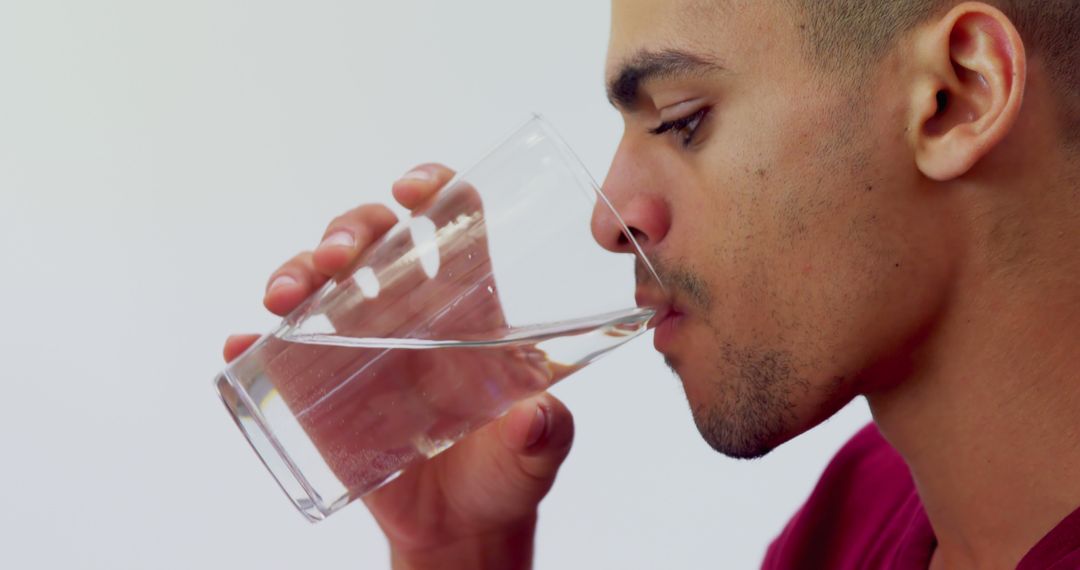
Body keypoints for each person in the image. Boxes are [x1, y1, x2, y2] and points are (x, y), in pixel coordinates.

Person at [223, 0, 1080, 567]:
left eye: (682, 121)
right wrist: (459, 553)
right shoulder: (860, 521)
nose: (610, 218)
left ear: (958, 96)